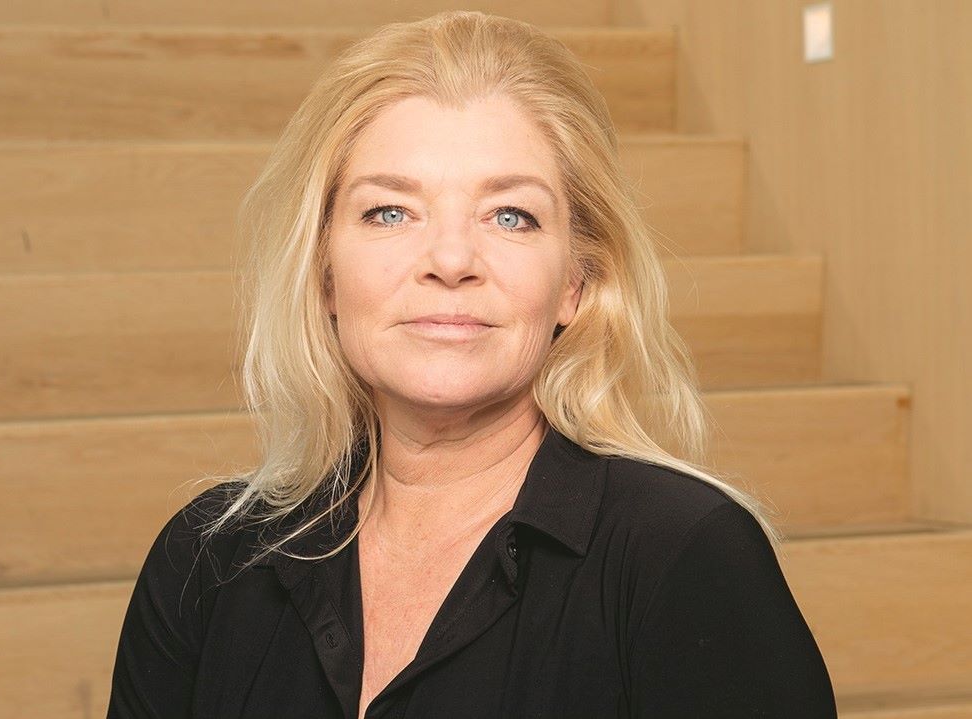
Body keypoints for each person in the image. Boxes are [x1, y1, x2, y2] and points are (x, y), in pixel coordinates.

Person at [107, 10, 838, 718]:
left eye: (510, 216)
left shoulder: (688, 555)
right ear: (324, 273)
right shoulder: (204, 560)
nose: (452, 259)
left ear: (575, 282)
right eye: (390, 212)